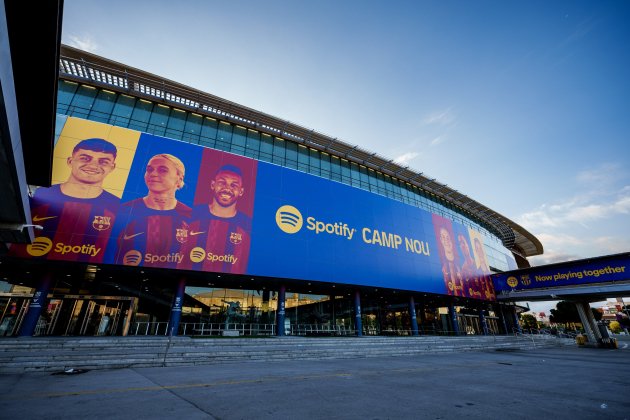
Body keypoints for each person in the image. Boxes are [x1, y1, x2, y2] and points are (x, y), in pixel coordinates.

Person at [13, 138, 120, 263]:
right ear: (70, 161)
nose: (93, 165)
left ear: (112, 167)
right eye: (85, 158)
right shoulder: (38, 194)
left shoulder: (120, 207)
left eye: (103, 161)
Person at [114, 154, 192, 268]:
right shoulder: (125, 210)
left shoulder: (191, 216)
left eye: (163, 170)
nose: (153, 174)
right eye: (149, 169)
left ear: (179, 178)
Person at [183, 164, 252, 274]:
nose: (227, 188)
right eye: (222, 182)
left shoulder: (248, 225)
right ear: (212, 185)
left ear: (241, 191)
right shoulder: (191, 215)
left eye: (234, 185)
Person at [437, 226, 464, 297]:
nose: (446, 240)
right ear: (441, 240)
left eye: (448, 237)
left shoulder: (460, 265)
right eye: (443, 237)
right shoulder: (441, 266)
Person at [457, 233, 482, 299]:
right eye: (460, 243)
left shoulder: (478, 264)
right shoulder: (463, 270)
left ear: (468, 244)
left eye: (463, 242)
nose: (462, 246)